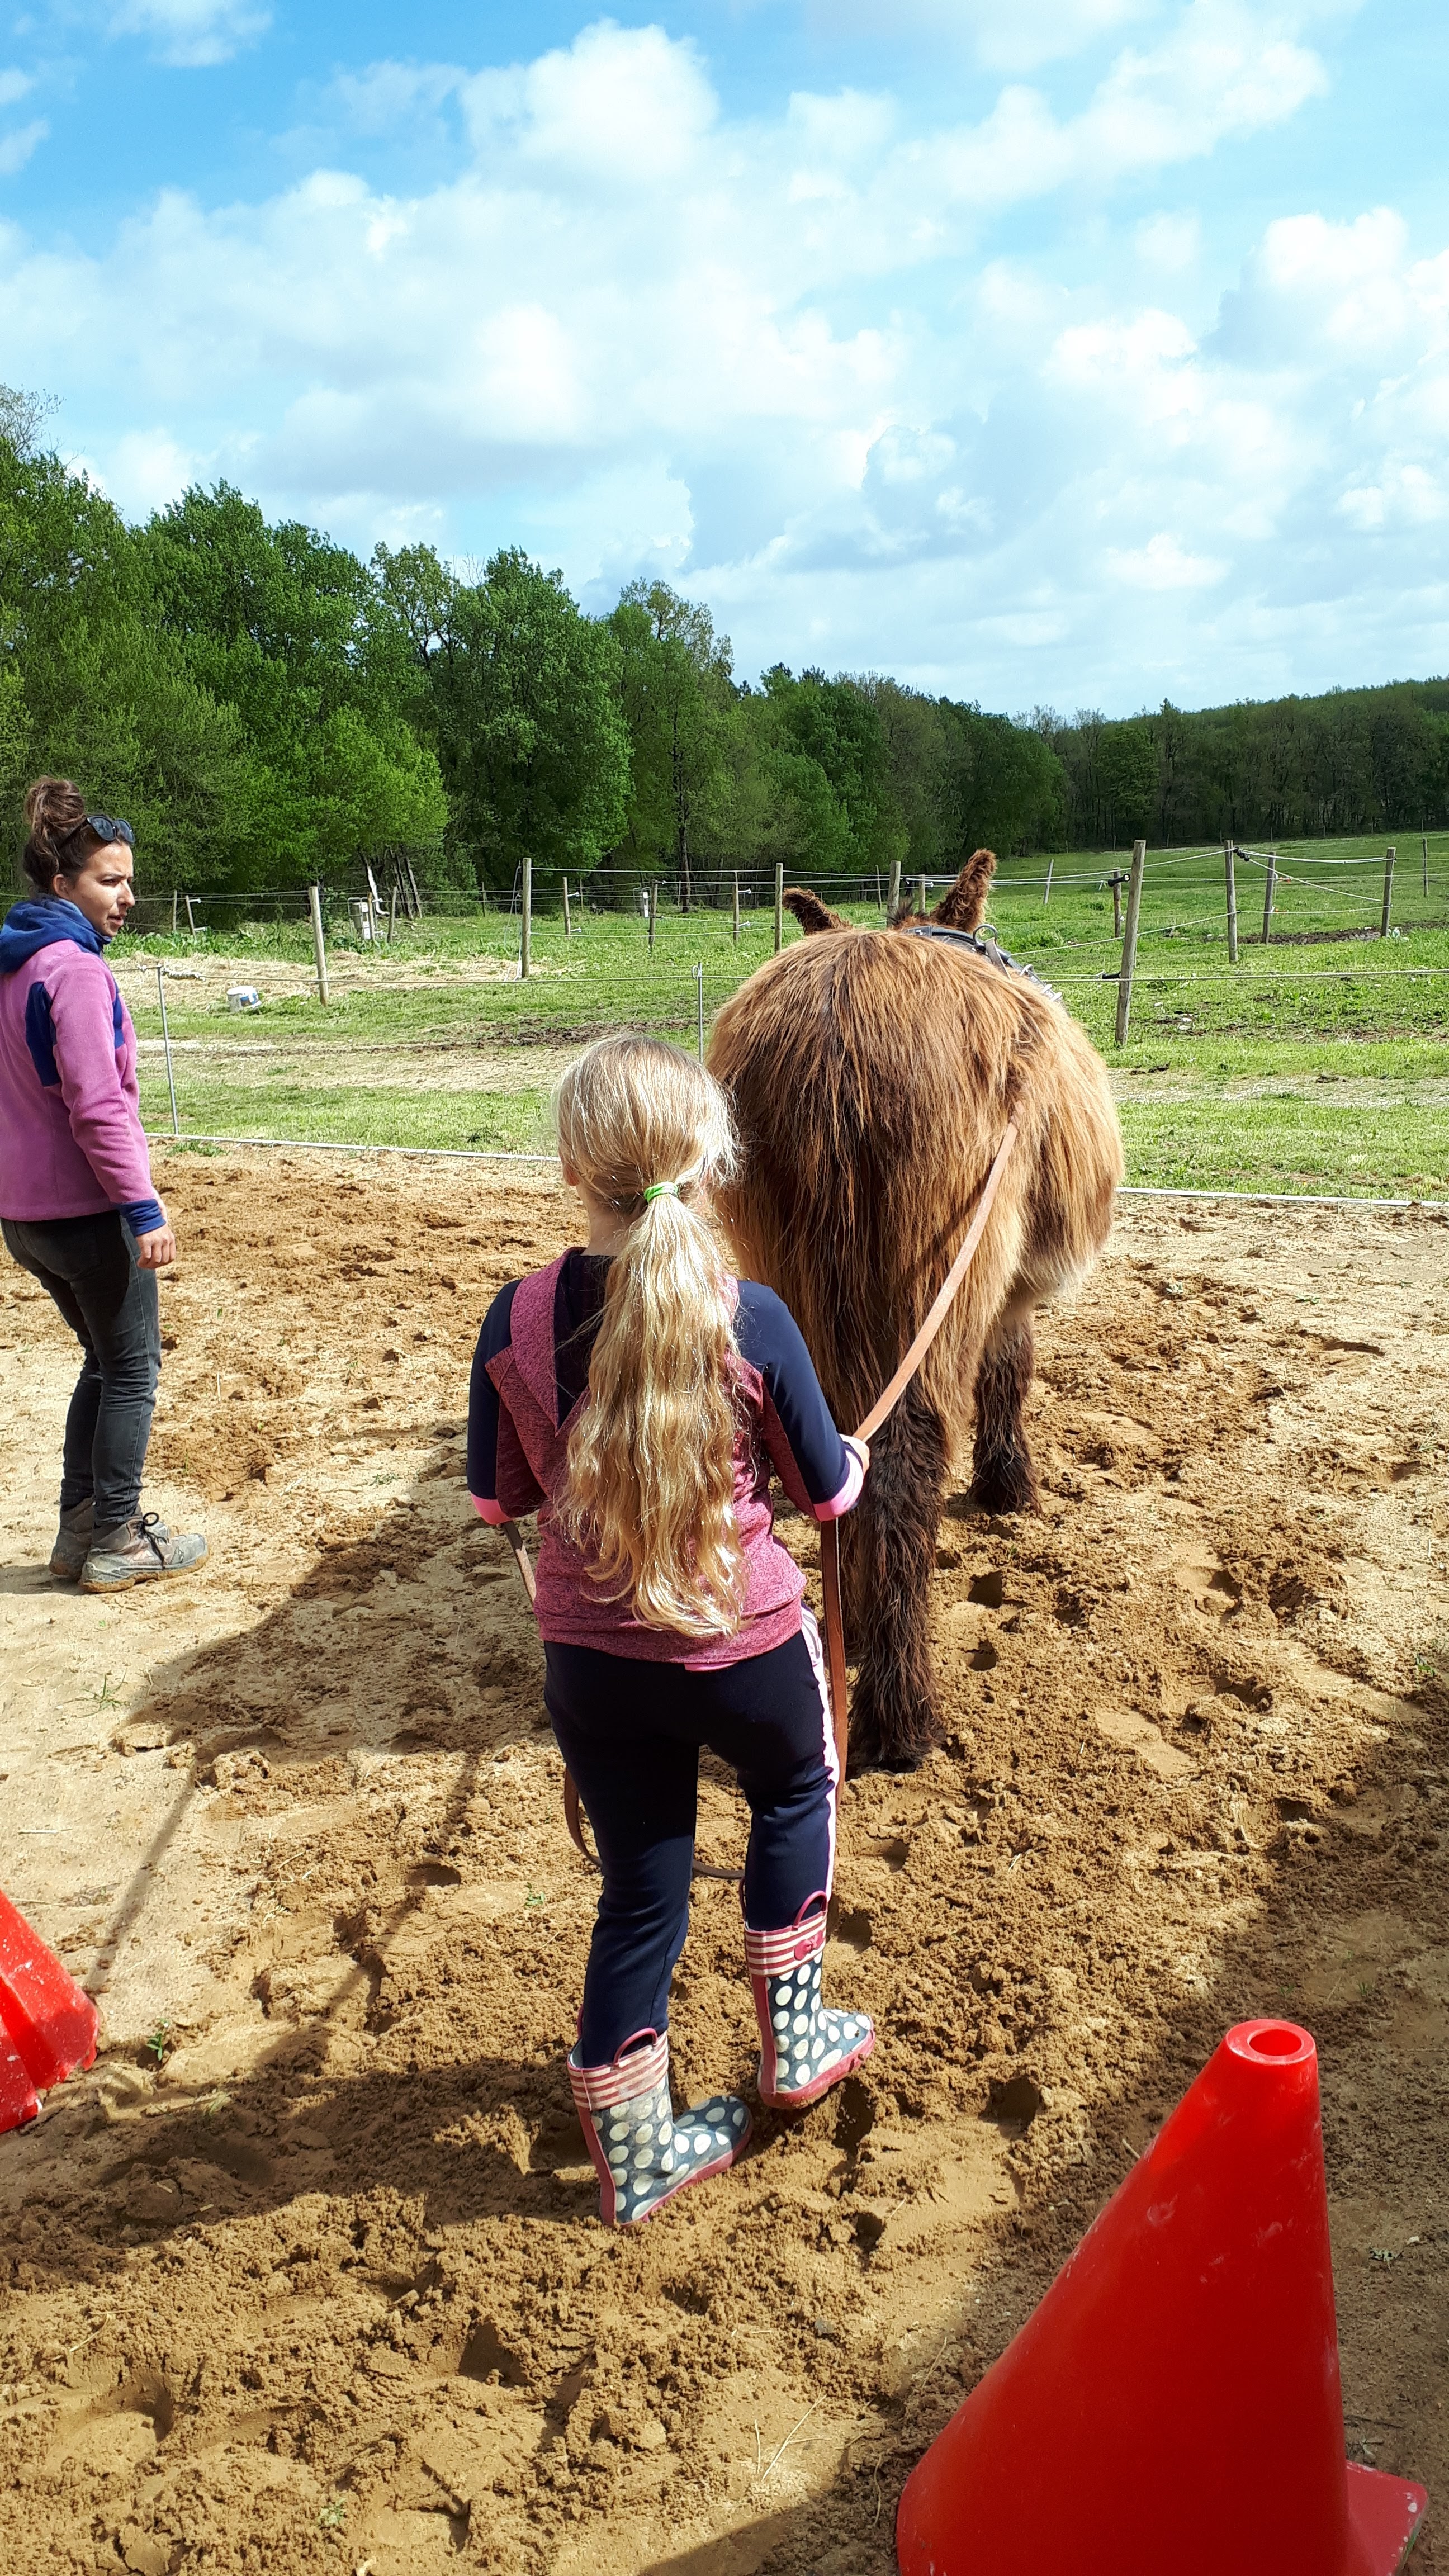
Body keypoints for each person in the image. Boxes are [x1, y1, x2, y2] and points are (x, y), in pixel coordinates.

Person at [467, 1033, 873, 2228]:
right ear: (711, 1166)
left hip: (594, 1666)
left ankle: (639, 2150)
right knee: (796, 1792)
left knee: (642, 1883)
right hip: (742, 1651)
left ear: (568, 1173)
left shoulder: (515, 1320)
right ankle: (793, 2047)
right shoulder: (753, 1319)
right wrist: (844, 1455)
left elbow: (502, 1500)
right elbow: (827, 1494)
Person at [0, 777, 206, 1592]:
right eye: (109, 882)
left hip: (24, 1215)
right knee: (132, 1369)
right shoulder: (76, 974)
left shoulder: (13, 967)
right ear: (63, 885)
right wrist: (143, 1205)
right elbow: (96, 1105)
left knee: (102, 1362)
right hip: (86, 1211)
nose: (128, 897)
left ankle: (76, 1530)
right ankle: (116, 1535)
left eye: (128, 880)